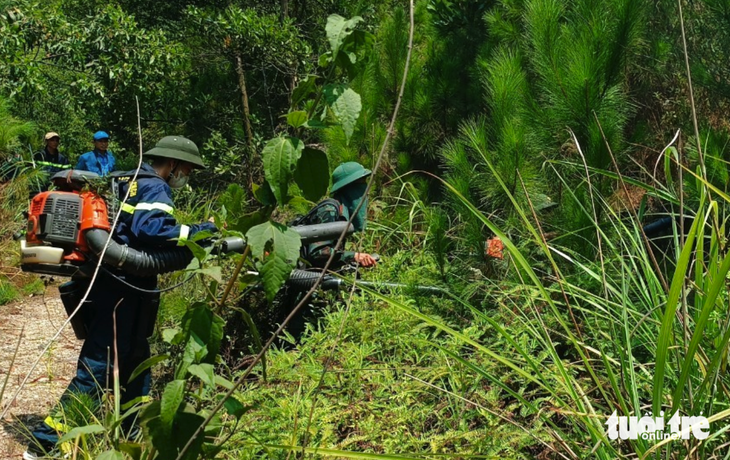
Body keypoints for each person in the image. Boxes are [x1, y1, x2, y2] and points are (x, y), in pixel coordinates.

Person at [25, 136, 217, 460]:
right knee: (98, 367)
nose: (187, 176)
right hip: (123, 287)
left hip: (121, 285)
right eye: (186, 169)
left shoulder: (127, 179)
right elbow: (151, 230)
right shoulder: (156, 186)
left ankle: (133, 433)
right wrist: (201, 230)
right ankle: (45, 443)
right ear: (171, 165)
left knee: (137, 361)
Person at [297, 161, 377, 269]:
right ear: (348, 187)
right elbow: (318, 253)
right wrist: (353, 256)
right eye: (361, 183)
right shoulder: (329, 210)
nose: (365, 189)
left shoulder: (343, 212)